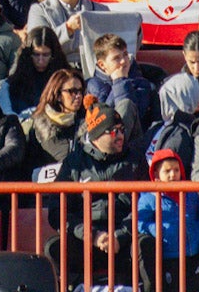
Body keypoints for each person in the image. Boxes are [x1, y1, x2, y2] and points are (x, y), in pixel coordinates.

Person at [45, 95, 154, 291]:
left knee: (147, 244)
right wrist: (92, 235)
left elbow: (145, 206)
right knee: (54, 247)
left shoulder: (136, 160)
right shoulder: (74, 162)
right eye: (113, 131)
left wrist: (119, 235)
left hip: (125, 239)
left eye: (121, 130)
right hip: (87, 239)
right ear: (95, 136)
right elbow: (57, 211)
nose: (120, 136)